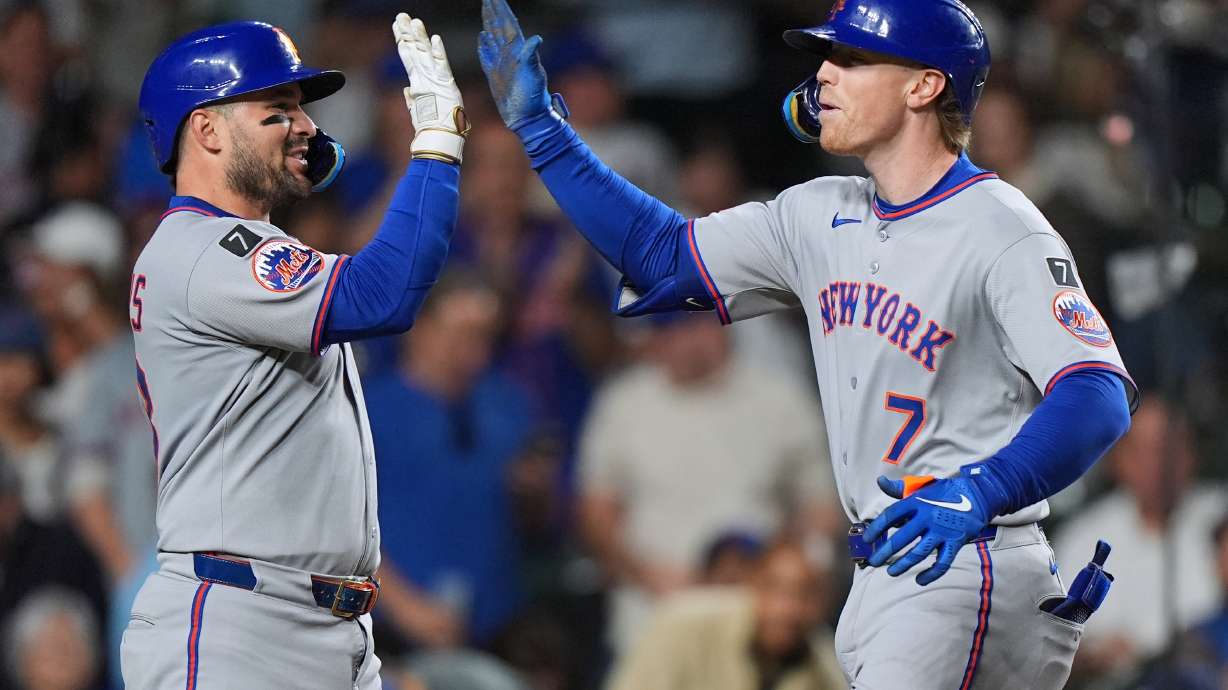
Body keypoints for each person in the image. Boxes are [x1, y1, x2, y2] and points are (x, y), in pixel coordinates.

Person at [477, 1, 1137, 687]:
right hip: (892, 570)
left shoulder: (1000, 228)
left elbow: (1097, 393)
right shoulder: (819, 213)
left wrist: (982, 489)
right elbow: (661, 254)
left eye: (849, 59)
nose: (822, 75)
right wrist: (542, 133)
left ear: (924, 86)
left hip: (965, 561)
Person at [121, 15, 469, 689]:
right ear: (208, 130)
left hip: (322, 628)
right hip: (239, 627)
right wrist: (434, 147)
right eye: (277, 111)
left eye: (302, 112)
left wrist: (301, 156)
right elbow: (382, 295)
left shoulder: (238, 249)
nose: (307, 127)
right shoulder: (203, 252)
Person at [577, 311, 836, 652]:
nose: (686, 340)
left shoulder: (780, 400)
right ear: (651, 339)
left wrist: (784, 576)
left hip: (762, 622)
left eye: (696, 323)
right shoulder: (623, 404)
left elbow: (822, 510)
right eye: (670, 329)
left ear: (723, 324)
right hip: (653, 620)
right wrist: (645, 574)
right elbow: (596, 515)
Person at [606, 540, 846, 690]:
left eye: (805, 595)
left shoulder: (823, 660)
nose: (788, 609)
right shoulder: (683, 623)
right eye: (776, 588)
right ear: (753, 585)